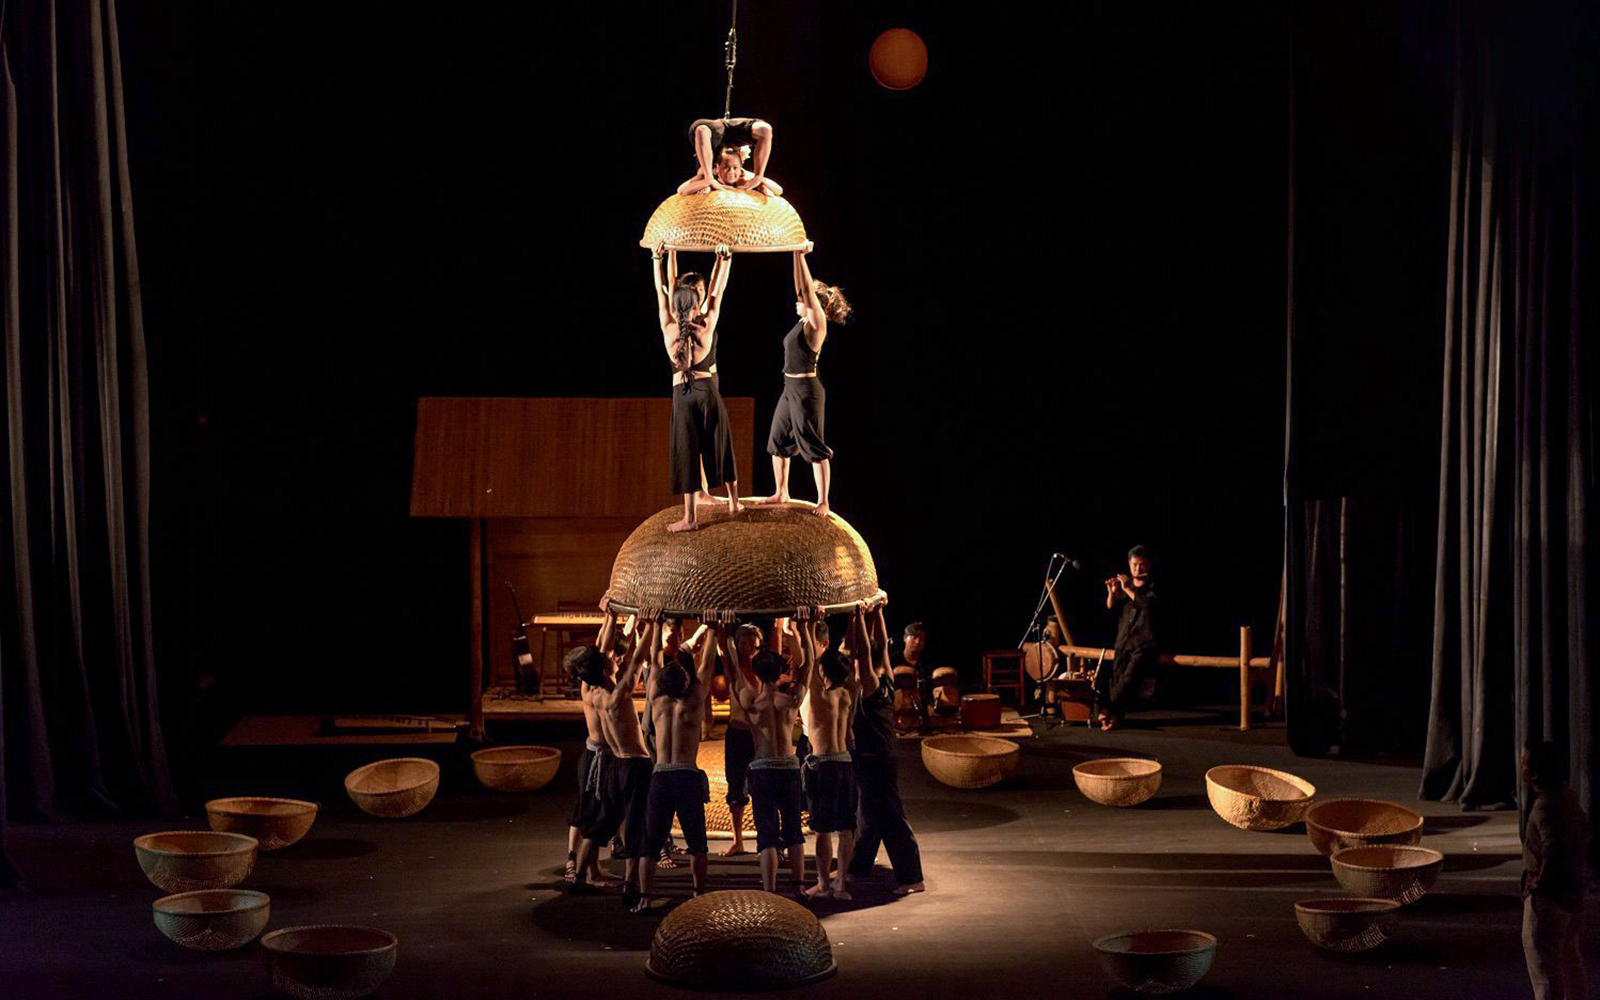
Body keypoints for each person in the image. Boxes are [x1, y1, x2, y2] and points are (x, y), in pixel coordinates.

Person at [758, 246, 853, 518]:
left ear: (815, 305)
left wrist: (801, 256)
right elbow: (801, 285)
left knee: (813, 446)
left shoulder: (817, 323)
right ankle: (781, 491)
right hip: (789, 388)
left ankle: (823, 500)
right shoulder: (801, 322)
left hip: (807, 390)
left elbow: (808, 290)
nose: (796, 302)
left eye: (800, 299)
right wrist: (793, 253)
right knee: (777, 441)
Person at [572, 614, 658, 906]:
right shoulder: (616, 695)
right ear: (604, 668)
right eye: (610, 659)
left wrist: (609, 618)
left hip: (615, 765)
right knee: (635, 824)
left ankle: (580, 877)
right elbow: (636, 663)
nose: (613, 658)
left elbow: (598, 650)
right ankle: (631, 886)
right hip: (635, 765)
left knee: (601, 823)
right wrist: (652, 627)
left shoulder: (590, 689)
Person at [634, 618, 720, 911]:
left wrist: (656, 626)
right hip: (685, 775)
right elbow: (707, 667)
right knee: (697, 841)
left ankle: (645, 898)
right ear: (686, 680)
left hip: (661, 776)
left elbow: (655, 659)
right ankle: (697, 894)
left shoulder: (656, 700)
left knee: (650, 841)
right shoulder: (694, 701)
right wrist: (712, 630)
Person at [652, 242, 739, 531]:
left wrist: (659, 257)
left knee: (687, 449)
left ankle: (690, 518)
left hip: (682, 393)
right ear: (694, 303)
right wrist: (724, 261)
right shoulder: (706, 325)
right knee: (720, 441)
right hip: (706, 390)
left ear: (674, 304)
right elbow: (718, 292)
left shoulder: (668, 328)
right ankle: (734, 501)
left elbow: (662, 287)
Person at [726, 618, 809, 896]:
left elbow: (734, 669)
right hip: (787, 767)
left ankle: (771, 891)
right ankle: (798, 889)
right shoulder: (791, 700)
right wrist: (803, 628)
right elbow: (808, 667)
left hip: (762, 769)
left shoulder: (752, 701)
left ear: (758, 673)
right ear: (780, 672)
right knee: (793, 831)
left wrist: (722, 634)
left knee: (767, 835)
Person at [847, 603, 926, 894]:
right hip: (879, 755)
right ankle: (859, 866)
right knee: (868, 813)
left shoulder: (869, 684)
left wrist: (857, 615)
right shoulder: (887, 678)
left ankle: (912, 877)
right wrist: (878, 612)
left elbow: (865, 652)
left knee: (889, 815)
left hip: (875, 758)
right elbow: (876, 649)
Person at [562, 613, 628, 886]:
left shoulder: (588, 683)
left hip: (598, 756)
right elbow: (605, 648)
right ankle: (586, 873)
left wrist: (611, 617)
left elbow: (604, 647)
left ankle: (593, 870)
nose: (611, 659)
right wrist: (610, 618)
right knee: (592, 815)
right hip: (596, 757)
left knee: (594, 812)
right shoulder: (592, 687)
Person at [1521, 741, 1590, 1000]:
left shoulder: (1545, 807)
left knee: (1545, 976)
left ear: (1535, 773)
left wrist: (1539, 888)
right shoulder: (1569, 797)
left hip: (1549, 900)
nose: (1522, 769)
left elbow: (1553, 849)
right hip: (1572, 896)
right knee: (1570, 963)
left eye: (1525, 764)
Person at [799, 607, 858, 900]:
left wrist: (807, 625)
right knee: (846, 827)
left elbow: (810, 660)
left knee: (822, 829)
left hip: (823, 765)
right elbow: (854, 657)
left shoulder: (820, 695)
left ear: (824, 671)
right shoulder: (849, 694)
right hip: (845, 762)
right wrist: (858, 619)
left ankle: (824, 884)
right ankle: (841, 885)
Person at [1097, 545, 1159, 731]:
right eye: (1134, 565)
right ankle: (1115, 718)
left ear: (1148, 565)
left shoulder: (1153, 585)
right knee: (1116, 679)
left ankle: (1107, 710)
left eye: (1141, 565)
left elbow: (1145, 605)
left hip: (1144, 642)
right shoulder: (1127, 585)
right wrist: (1112, 592)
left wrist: (1127, 588)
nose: (1137, 570)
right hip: (1123, 640)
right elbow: (1111, 607)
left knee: (1127, 680)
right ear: (1129, 564)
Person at [718, 622, 764, 857]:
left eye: (751, 643)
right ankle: (738, 841)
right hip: (737, 734)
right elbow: (724, 649)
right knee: (735, 787)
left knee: (762, 787)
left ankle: (768, 839)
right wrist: (721, 625)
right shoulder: (735, 668)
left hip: (759, 736)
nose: (747, 648)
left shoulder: (764, 670)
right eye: (743, 643)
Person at [678, 116, 783, 197]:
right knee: (702, 130)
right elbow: (682, 190)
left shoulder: (742, 176)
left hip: (725, 134)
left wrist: (759, 178)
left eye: (735, 168)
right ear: (718, 168)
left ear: (740, 167)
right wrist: (708, 180)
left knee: (765, 129)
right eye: (726, 168)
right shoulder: (710, 172)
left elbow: (779, 190)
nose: (731, 172)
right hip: (712, 136)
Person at [892, 621, 931, 730]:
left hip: (921, 715)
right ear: (905, 638)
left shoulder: (926, 663)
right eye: (914, 638)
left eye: (921, 639)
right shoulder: (893, 660)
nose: (918, 642)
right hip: (898, 713)